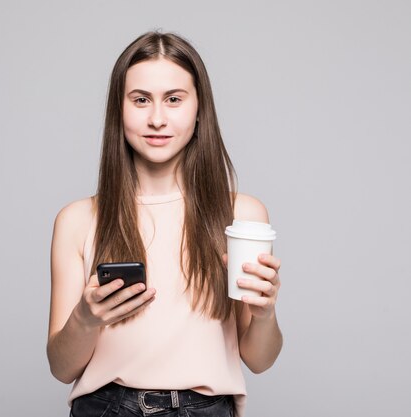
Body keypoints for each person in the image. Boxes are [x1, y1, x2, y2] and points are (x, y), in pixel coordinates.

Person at [47, 31, 282, 417]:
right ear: (118, 110)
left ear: (198, 108)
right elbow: (61, 367)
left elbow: (259, 359)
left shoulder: (243, 216)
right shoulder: (77, 220)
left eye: (174, 99)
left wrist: (265, 313)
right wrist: (85, 319)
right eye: (141, 100)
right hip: (107, 407)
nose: (157, 119)